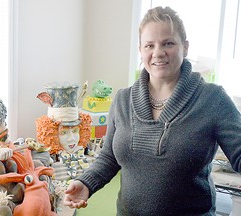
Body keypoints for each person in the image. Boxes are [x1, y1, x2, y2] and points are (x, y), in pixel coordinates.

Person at [63, 6, 241, 215]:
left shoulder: (212, 99)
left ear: (185, 47)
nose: (158, 52)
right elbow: (109, 157)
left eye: (168, 43)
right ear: (141, 50)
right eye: (149, 45)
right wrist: (86, 184)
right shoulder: (123, 100)